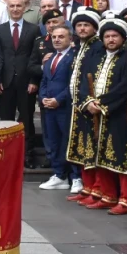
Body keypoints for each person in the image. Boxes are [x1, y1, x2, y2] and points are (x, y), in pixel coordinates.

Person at [75, 18, 127, 214]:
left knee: (120, 157)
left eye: (114, 36)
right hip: (94, 114)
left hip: (116, 115)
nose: (110, 39)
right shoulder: (96, 57)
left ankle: (126, 198)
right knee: (99, 155)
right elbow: (84, 82)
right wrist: (87, 102)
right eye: (107, 36)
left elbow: (124, 87)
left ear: (122, 38)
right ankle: (107, 195)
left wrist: (101, 105)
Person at [0, 0, 41, 160]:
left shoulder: (34, 29)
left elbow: (36, 57)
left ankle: (27, 153)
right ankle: (7, 154)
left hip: (26, 82)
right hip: (5, 83)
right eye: (12, 6)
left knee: (27, 118)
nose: (15, 9)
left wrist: (34, 80)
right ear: (7, 8)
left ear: (24, 7)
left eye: (18, 6)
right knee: (6, 118)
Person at [65, 9, 104, 202]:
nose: (82, 28)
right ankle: (87, 187)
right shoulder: (81, 46)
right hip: (78, 105)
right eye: (79, 25)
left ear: (94, 28)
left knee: (92, 148)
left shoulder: (96, 47)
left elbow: (93, 77)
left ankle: (96, 188)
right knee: (83, 148)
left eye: (86, 25)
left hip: (89, 104)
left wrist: (88, 100)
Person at [38, 24, 76, 190]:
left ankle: (75, 177)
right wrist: (44, 98)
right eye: (54, 37)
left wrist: (58, 99)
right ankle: (59, 174)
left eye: (61, 37)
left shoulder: (73, 58)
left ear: (70, 39)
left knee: (68, 141)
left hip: (65, 107)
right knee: (53, 141)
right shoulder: (50, 58)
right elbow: (45, 81)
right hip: (49, 108)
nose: (57, 39)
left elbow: (73, 84)